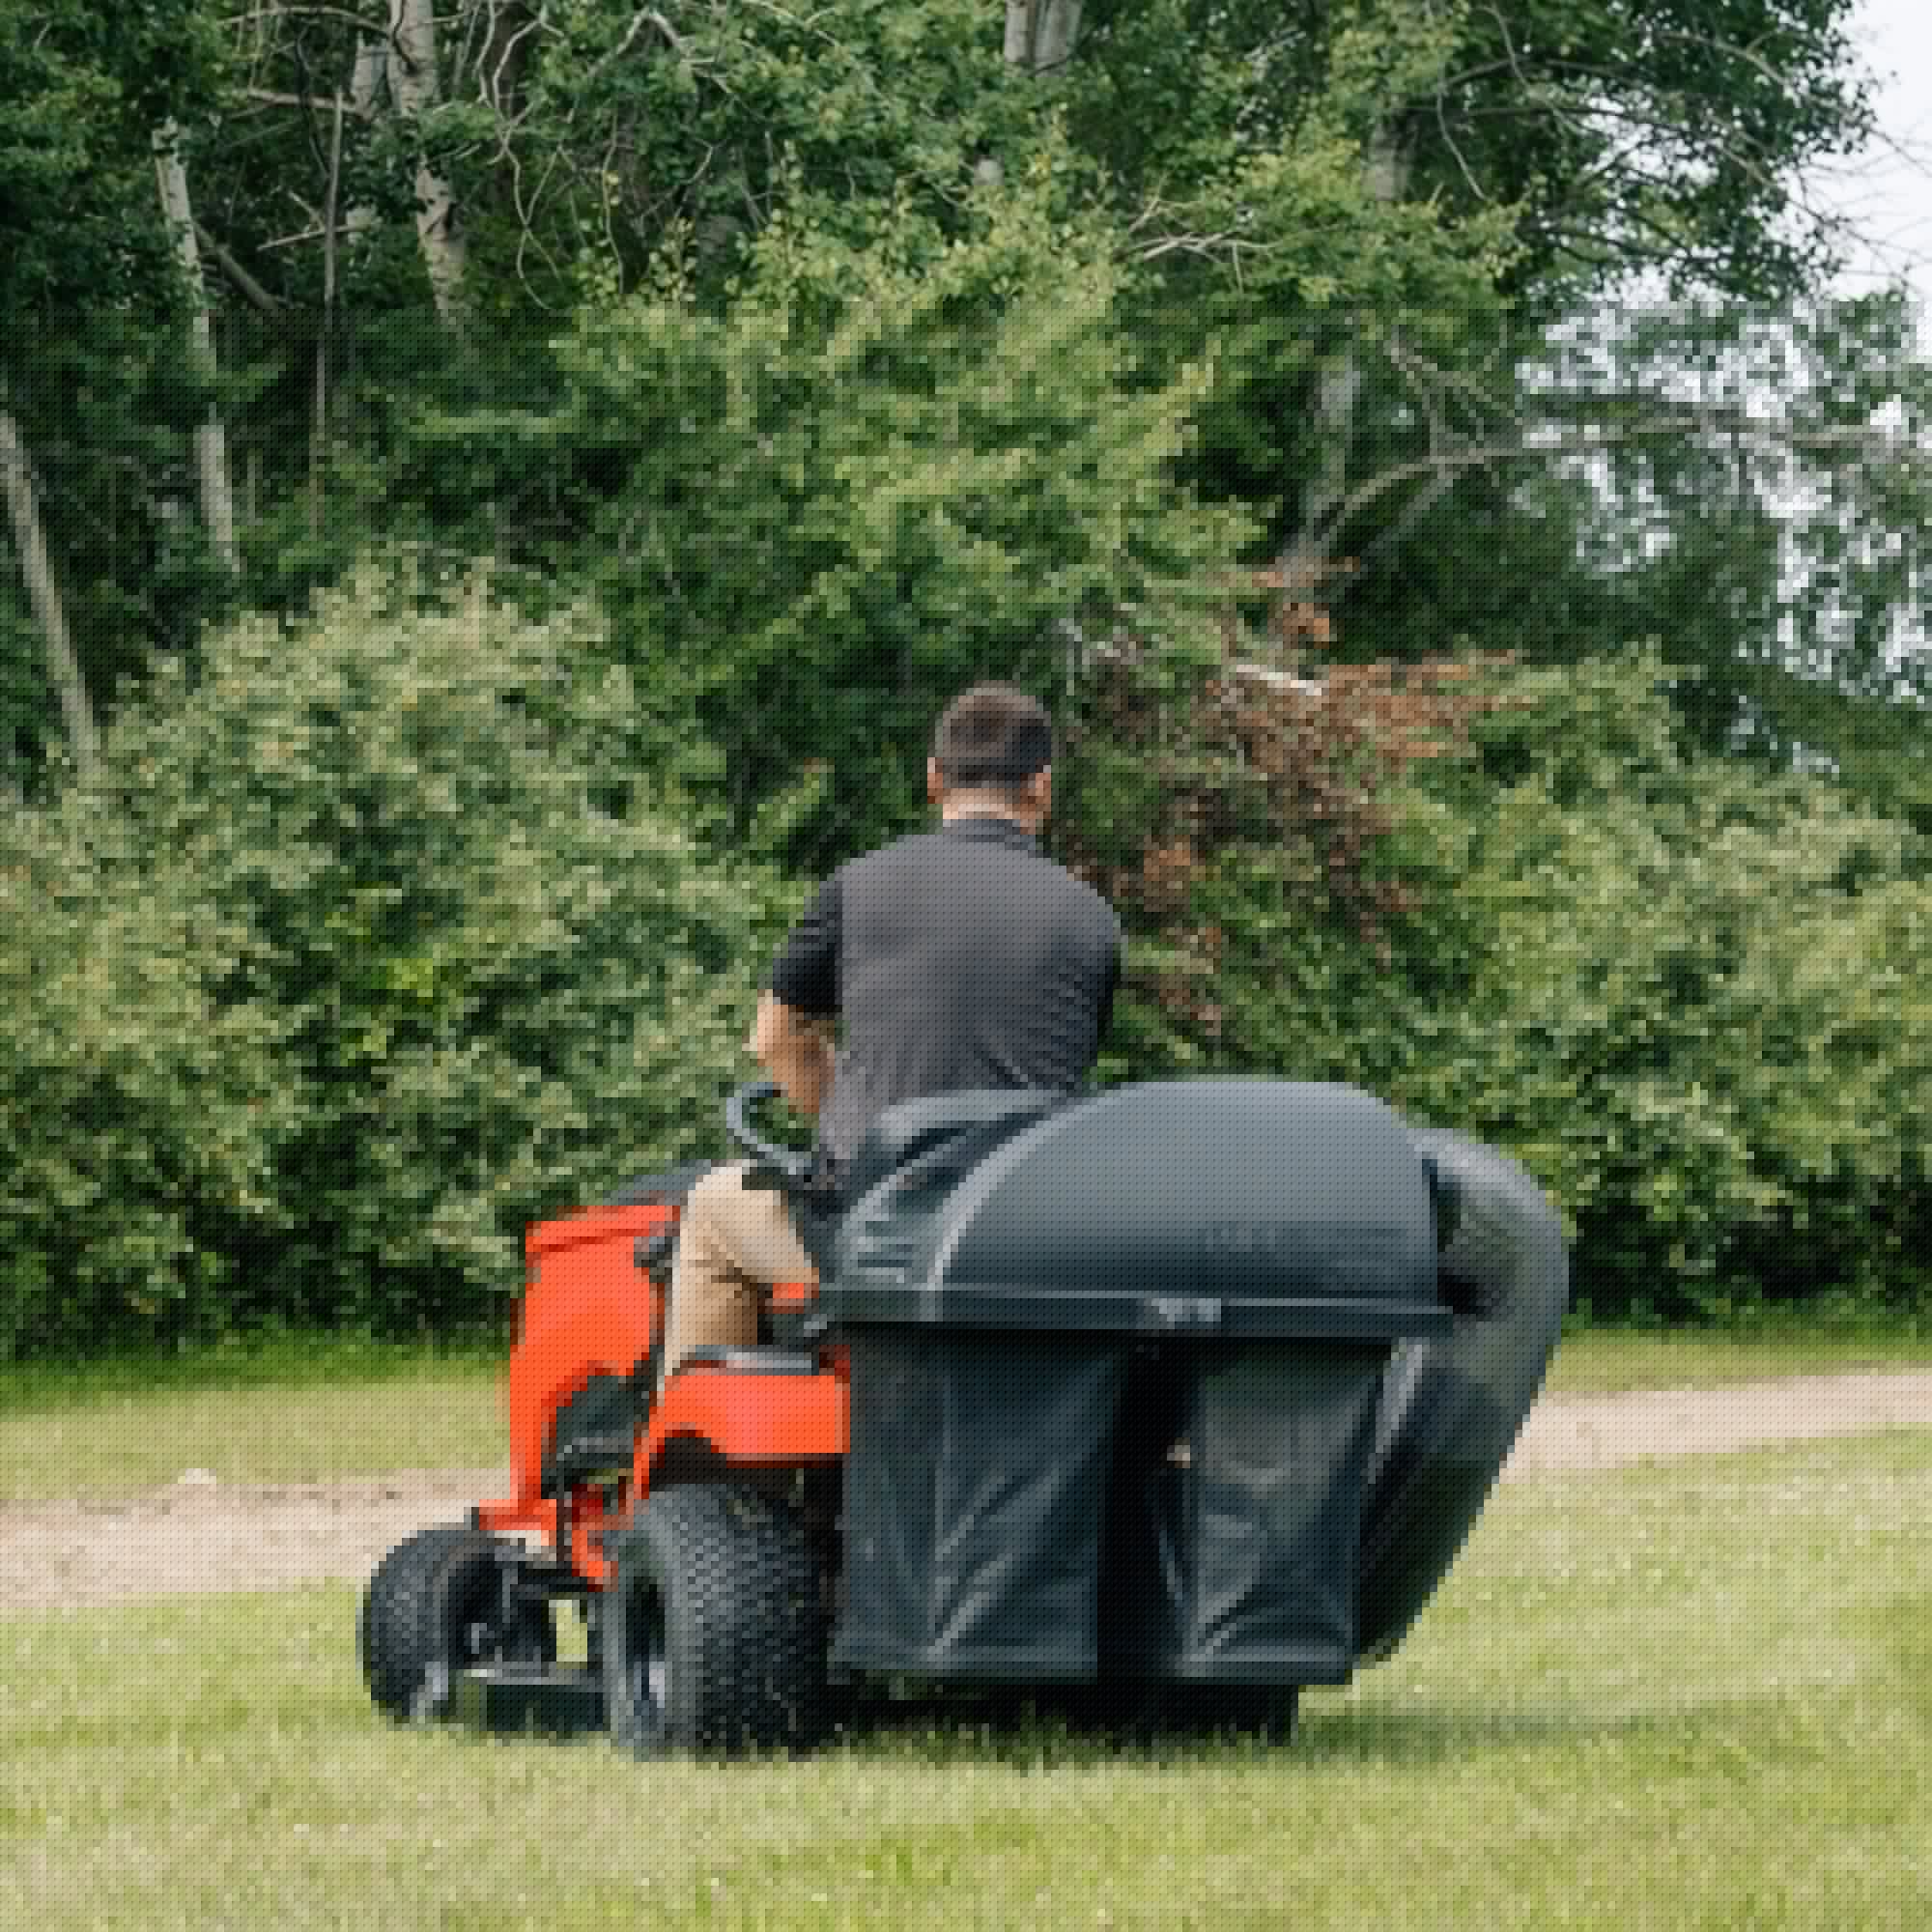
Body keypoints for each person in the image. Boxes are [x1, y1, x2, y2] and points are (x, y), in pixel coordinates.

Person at [660, 682, 1123, 1378]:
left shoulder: (858, 885)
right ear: (1042, 789)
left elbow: (774, 1039)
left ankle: (702, 1460)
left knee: (709, 1211)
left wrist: (845, 1115)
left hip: (873, 1227)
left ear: (933, 778)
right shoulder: (1092, 918)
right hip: (1019, 1234)